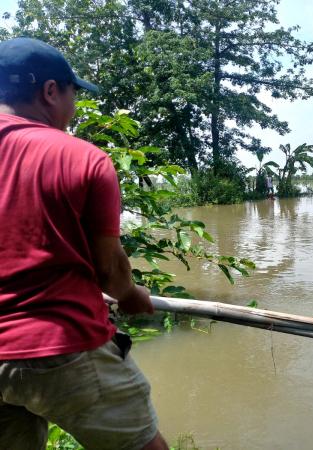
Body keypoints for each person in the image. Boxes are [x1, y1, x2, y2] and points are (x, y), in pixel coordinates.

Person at [0, 38, 169, 450]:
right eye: (73, 93)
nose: (73, 107)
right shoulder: (83, 158)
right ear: (50, 91)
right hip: (60, 347)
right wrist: (131, 294)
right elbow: (110, 273)